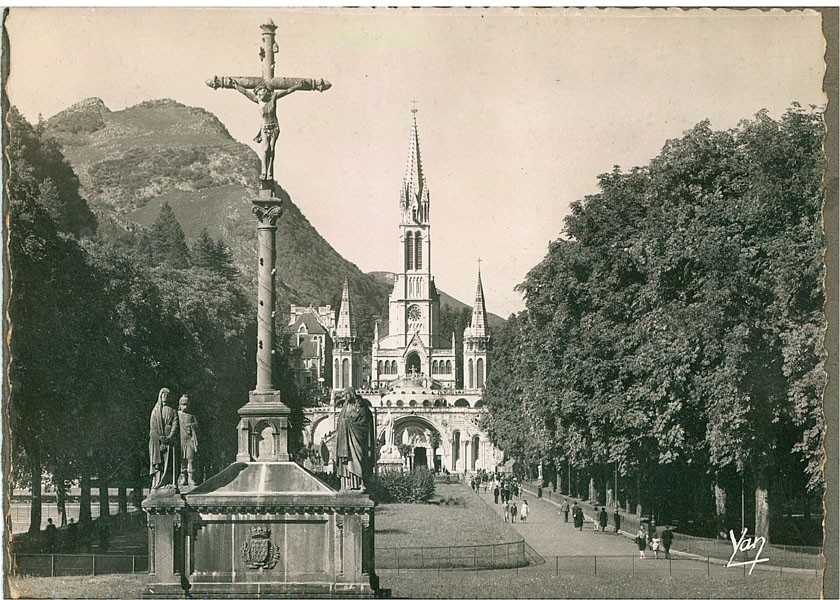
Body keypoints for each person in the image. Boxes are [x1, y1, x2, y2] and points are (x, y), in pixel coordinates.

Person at [232, 79, 306, 181]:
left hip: (274, 127)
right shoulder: (257, 99)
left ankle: (269, 172)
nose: (263, 92)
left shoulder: (273, 97)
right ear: (258, 93)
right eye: (261, 91)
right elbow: (245, 92)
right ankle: (264, 171)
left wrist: (297, 86)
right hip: (264, 128)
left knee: (271, 149)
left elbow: (287, 91)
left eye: (264, 90)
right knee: (265, 149)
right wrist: (236, 86)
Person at [336, 389, 375, 492]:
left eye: (347, 395)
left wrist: (350, 423)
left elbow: (365, 422)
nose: (345, 397)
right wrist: (345, 423)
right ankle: (347, 485)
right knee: (347, 460)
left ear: (352, 394)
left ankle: (360, 484)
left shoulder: (360, 406)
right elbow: (340, 420)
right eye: (344, 395)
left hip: (358, 437)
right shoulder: (345, 407)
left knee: (359, 458)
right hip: (345, 438)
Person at [149, 387, 180, 490]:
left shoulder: (173, 410)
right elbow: (153, 427)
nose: (165, 397)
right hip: (158, 441)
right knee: (160, 462)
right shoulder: (155, 411)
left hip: (170, 441)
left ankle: (170, 482)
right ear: (160, 396)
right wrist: (161, 439)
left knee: (170, 461)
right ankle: (158, 482)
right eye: (163, 394)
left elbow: (175, 423)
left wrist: (170, 436)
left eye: (167, 395)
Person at [178, 394, 199, 486]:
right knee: (181, 460)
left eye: (187, 404)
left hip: (189, 440)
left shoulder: (191, 416)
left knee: (190, 460)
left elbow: (197, 425)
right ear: (179, 405)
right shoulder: (177, 415)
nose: (185, 406)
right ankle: (183, 478)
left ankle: (190, 478)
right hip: (180, 441)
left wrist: (192, 426)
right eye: (183, 404)